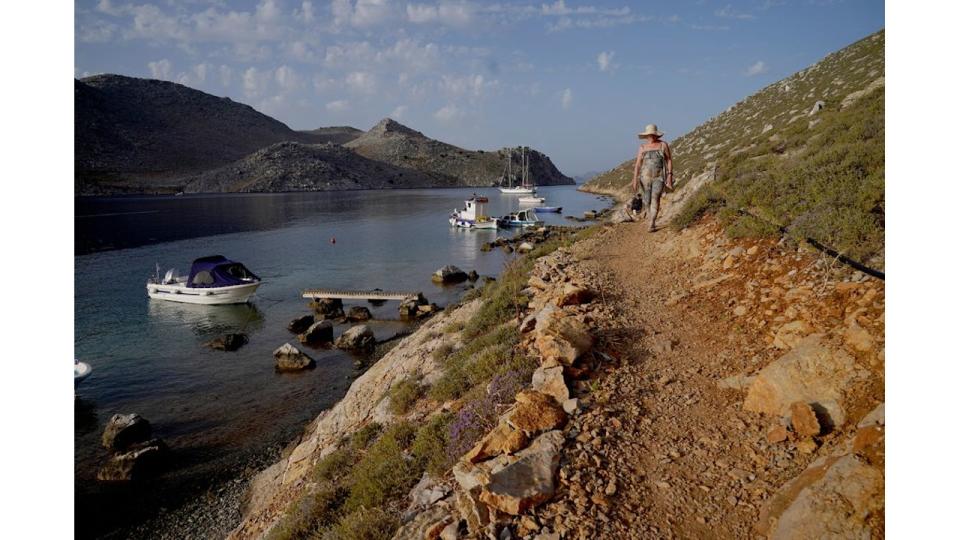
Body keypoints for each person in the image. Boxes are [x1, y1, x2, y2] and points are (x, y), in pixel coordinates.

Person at [631, 124, 673, 232]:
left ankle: (652, 222)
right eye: (649, 135)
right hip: (644, 179)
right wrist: (635, 179)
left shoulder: (663, 145)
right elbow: (638, 164)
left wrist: (669, 175)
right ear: (646, 136)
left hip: (659, 177)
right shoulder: (642, 148)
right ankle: (650, 218)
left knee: (655, 198)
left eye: (653, 135)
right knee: (646, 201)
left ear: (656, 135)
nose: (651, 137)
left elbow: (669, 160)